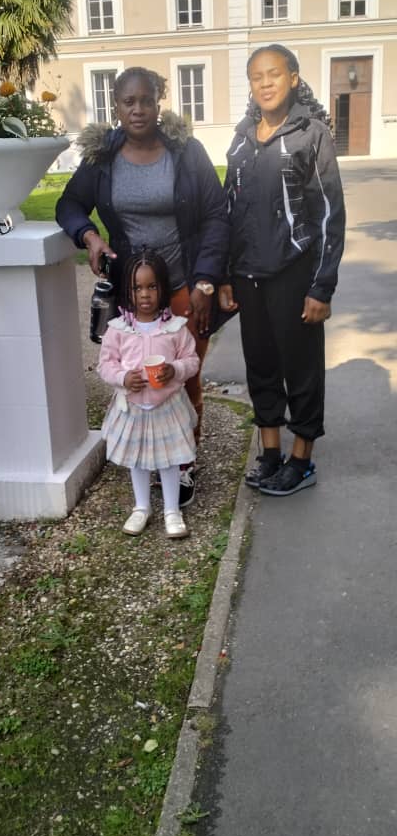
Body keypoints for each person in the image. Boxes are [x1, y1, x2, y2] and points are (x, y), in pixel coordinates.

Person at [56, 66, 229, 508]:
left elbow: (215, 214)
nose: (138, 109)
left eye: (146, 100)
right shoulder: (102, 157)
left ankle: (183, 462)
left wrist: (206, 280)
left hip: (184, 285)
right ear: (116, 106)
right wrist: (89, 236)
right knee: (137, 376)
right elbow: (69, 202)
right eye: (128, 101)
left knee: (184, 376)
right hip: (133, 293)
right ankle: (146, 455)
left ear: (158, 102)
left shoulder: (186, 152)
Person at [220, 44, 346, 496]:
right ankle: (271, 453)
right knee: (262, 366)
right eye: (257, 77)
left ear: (293, 78)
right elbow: (228, 209)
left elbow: (330, 214)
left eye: (274, 74)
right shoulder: (241, 138)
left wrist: (322, 287)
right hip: (249, 276)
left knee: (302, 368)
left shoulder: (312, 134)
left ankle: (302, 460)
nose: (265, 83)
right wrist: (226, 275)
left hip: (295, 274)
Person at [97, 249, 199, 538]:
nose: (144, 294)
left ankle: (172, 510)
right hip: (132, 407)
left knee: (169, 459)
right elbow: (105, 364)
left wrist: (175, 370)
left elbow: (192, 360)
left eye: (151, 286)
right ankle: (141, 507)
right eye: (137, 287)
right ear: (127, 291)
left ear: (163, 287)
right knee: (137, 459)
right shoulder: (118, 329)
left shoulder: (175, 328)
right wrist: (122, 378)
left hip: (167, 406)